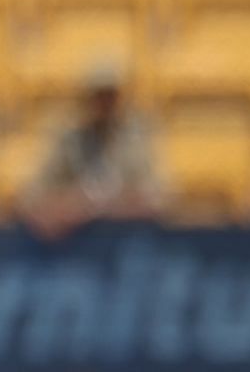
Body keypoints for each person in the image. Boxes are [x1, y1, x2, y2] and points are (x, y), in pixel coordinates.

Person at [17, 63, 167, 241]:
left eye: (109, 95)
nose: (104, 103)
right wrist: (70, 206)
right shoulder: (69, 138)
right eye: (98, 95)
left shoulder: (136, 137)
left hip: (128, 248)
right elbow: (33, 196)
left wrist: (99, 206)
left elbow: (159, 197)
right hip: (75, 254)